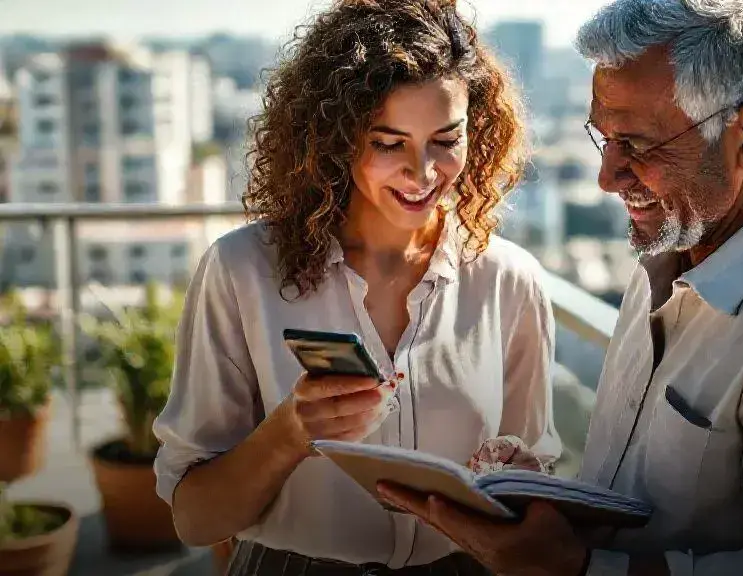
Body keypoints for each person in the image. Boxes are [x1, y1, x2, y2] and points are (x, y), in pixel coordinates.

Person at [379, 0, 743, 574]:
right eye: (604, 140)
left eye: (638, 145)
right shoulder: (674, 250)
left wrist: (575, 570)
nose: (606, 176)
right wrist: (554, 508)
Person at [151, 1, 562, 574]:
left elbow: (536, 488)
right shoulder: (242, 270)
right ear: (335, 138)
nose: (422, 174)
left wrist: (517, 483)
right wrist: (288, 434)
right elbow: (195, 521)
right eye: (389, 143)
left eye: (446, 140)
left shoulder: (509, 280)